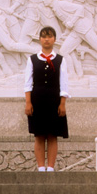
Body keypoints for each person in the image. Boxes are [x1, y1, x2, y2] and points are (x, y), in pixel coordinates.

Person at [24, 26, 69, 172]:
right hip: (37, 100)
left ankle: (50, 167)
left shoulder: (60, 60)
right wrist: (28, 102)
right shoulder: (32, 59)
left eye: (49, 36)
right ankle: (40, 167)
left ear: (54, 39)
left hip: (54, 100)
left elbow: (64, 83)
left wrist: (62, 103)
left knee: (52, 135)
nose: (47, 39)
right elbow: (27, 82)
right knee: (39, 135)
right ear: (40, 39)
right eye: (44, 36)